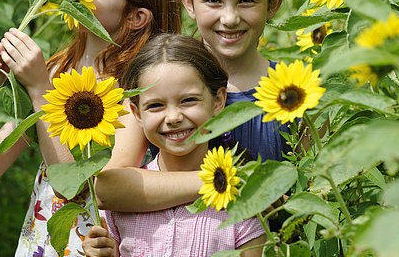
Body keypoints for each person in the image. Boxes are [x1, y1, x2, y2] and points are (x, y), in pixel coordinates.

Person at [0, 0, 182, 256]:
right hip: (40, 242)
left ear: (136, 17)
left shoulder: (137, 91)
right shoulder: (57, 69)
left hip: (91, 247)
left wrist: (40, 89)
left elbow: (84, 187)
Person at [96, 0, 287, 213]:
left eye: (246, 0)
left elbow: (319, 197)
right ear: (189, 2)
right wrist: (223, 182)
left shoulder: (296, 93)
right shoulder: (156, 82)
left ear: (273, 2)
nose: (230, 18)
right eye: (213, 1)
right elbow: (109, 188)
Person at [83, 34, 266, 257]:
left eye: (188, 100)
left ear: (218, 101)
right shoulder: (123, 203)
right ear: (136, 113)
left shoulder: (241, 204)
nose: (173, 117)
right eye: (156, 105)